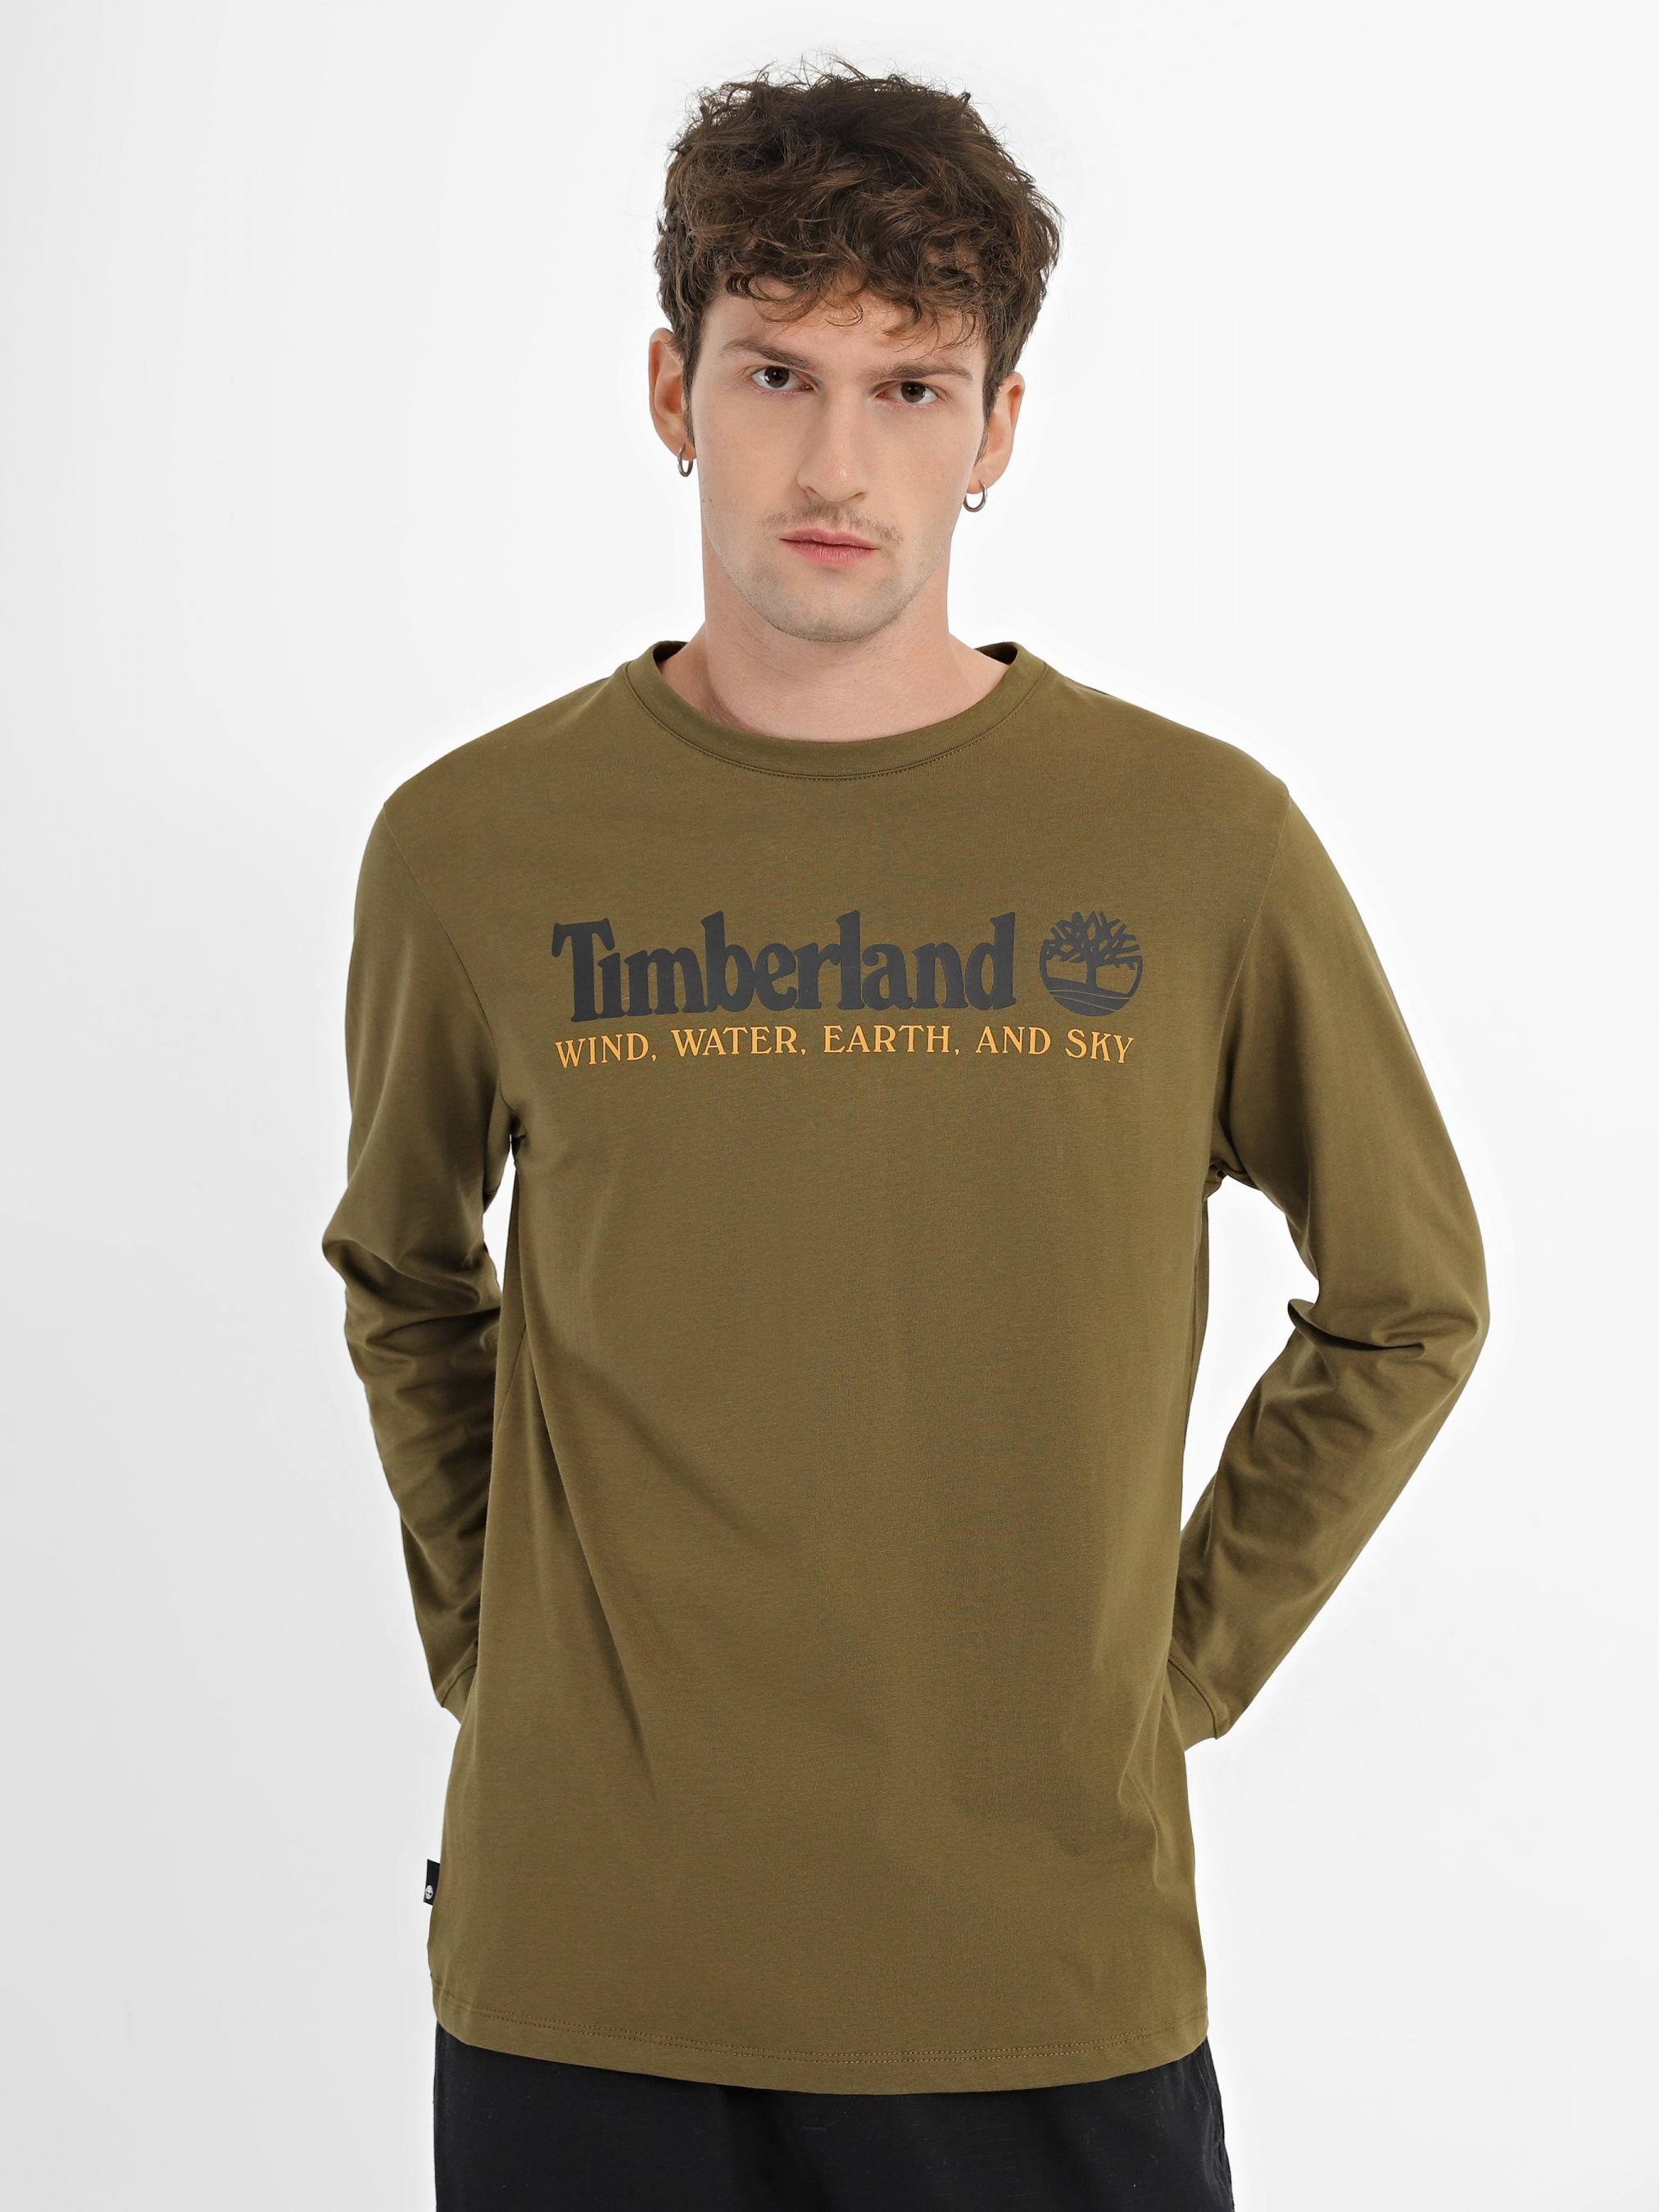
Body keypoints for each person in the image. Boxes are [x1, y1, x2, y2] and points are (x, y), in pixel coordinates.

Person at [321, 60, 1488, 2212]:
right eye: (778, 371)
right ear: (671, 391)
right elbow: (403, 1271)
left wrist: (1170, 1665)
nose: (837, 461)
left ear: (998, 427)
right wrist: (502, 1649)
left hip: (1036, 1970)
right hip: (590, 1976)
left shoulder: (1195, 842)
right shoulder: (471, 845)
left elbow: (1411, 1298)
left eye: (912, 386)